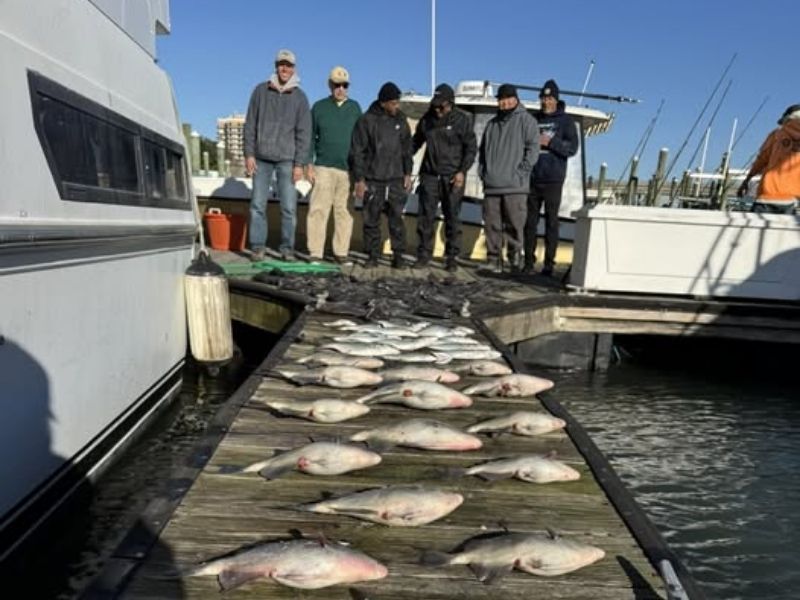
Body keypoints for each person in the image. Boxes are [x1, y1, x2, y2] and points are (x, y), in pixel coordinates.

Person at [244, 48, 311, 262]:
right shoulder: (260, 91)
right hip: (261, 158)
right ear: (276, 66)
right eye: (281, 64)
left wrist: (299, 163)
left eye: (289, 65)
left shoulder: (300, 98)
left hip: (287, 160)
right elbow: (250, 125)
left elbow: (304, 133)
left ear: (294, 69)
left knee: (289, 207)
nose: (285, 68)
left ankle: (287, 248)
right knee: (257, 204)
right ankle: (257, 247)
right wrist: (249, 154)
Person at [412, 83, 477, 272]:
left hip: (452, 176)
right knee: (425, 217)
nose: (438, 109)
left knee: (452, 218)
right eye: (436, 105)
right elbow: (416, 142)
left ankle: (452, 257)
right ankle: (423, 254)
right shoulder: (427, 120)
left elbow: (471, 148)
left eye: (442, 106)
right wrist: (402, 160)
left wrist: (462, 171)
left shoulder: (462, 121)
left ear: (451, 104)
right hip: (430, 175)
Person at [349, 81, 413, 268]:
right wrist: (359, 179)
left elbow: (407, 149)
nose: (396, 106)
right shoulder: (366, 120)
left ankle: (398, 255)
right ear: (383, 102)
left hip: (395, 178)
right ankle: (372, 256)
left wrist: (408, 173)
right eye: (393, 103)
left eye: (397, 102)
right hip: (373, 179)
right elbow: (357, 151)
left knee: (396, 220)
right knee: (371, 220)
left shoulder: (401, 120)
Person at [478, 83, 539, 273]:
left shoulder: (527, 121)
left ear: (515, 99)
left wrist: (521, 172)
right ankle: (493, 259)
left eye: (506, 99)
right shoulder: (491, 124)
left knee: (514, 225)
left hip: (515, 186)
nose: (503, 103)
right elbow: (482, 152)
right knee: (492, 225)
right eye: (500, 99)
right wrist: (483, 172)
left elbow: (533, 148)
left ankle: (514, 259)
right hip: (492, 185)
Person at [305, 66, 362, 265]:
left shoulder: (355, 108)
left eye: (344, 85)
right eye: (337, 85)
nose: (340, 89)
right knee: (318, 209)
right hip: (323, 167)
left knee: (344, 212)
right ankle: (315, 253)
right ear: (330, 85)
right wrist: (308, 164)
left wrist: (359, 171)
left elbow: (361, 140)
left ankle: (341, 252)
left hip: (347, 170)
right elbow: (310, 137)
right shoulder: (319, 107)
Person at [523, 79, 579, 276]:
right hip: (533, 177)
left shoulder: (566, 122)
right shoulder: (533, 119)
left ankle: (549, 264)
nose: (546, 102)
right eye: (543, 98)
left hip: (553, 179)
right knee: (529, 222)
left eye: (549, 98)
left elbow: (572, 149)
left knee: (551, 222)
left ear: (556, 100)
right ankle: (528, 261)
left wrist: (551, 141)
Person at [737, 104, 800, 214]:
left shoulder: (776, 135)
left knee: (754, 230)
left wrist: (747, 180)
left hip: (767, 194)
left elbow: (761, 160)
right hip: (792, 199)